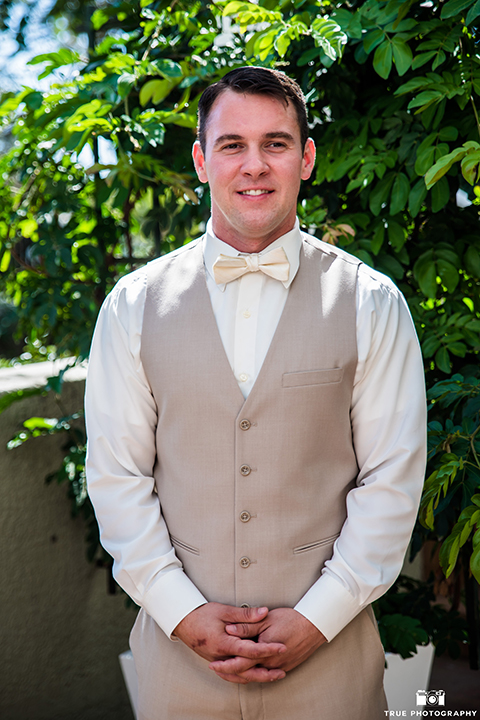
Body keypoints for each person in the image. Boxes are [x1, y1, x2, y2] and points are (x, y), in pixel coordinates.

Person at [85, 66, 427, 720]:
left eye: (275, 143)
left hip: (330, 668)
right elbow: (116, 475)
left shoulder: (371, 303)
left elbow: (392, 479)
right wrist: (181, 613)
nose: (254, 166)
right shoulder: (132, 305)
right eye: (232, 145)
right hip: (179, 669)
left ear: (307, 157)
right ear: (200, 160)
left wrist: (317, 618)